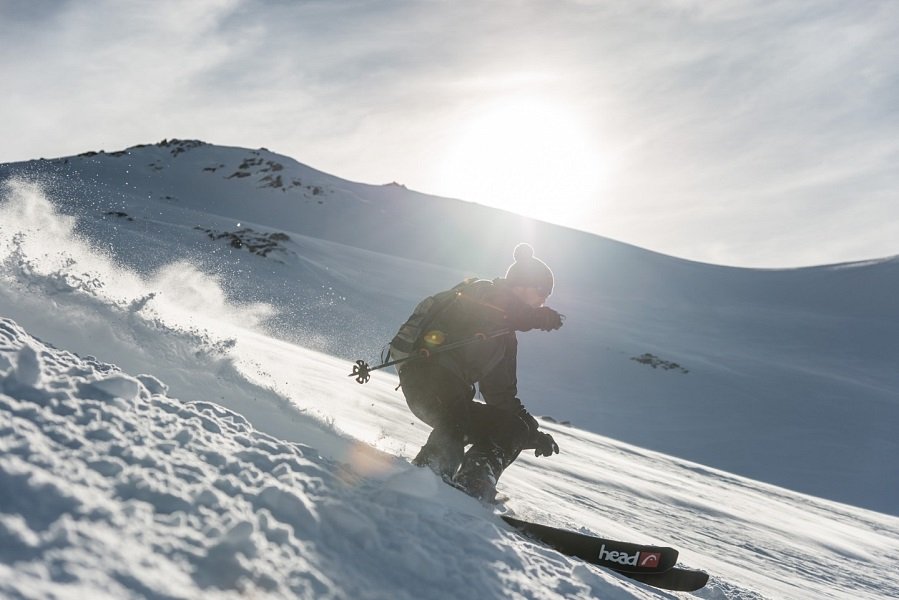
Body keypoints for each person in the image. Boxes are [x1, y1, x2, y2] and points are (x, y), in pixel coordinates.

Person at [389, 243, 564, 502]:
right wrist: (533, 317)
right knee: (455, 419)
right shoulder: (483, 292)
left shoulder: (506, 337)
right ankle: (427, 477)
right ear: (524, 285)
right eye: (542, 292)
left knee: (510, 426)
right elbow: (496, 311)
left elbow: (501, 396)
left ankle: (474, 483)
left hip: (451, 394)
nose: (543, 301)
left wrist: (530, 432)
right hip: (426, 376)